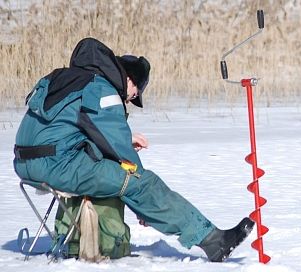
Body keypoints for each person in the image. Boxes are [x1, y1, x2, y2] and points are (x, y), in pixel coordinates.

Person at [13, 37, 254, 262]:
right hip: (57, 167)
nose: (129, 100)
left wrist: (124, 146)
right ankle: (215, 242)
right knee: (142, 182)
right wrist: (140, 193)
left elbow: (73, 131)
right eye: (134, 95)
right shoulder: (102, 89)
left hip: (27, 163)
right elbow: (121, 152)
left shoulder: (65, 78)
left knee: (119, 174)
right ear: (129, 79)